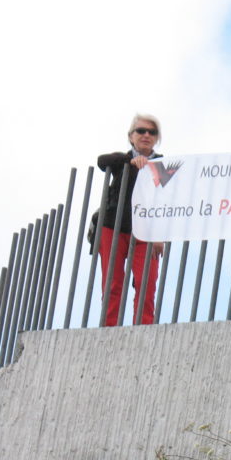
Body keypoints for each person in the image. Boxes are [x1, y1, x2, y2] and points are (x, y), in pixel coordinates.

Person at [96, 114, 166, 326]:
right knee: (112, 283)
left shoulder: (163, 165)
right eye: (141, 131)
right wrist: (131, 161)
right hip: (114, 227)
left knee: (147, 283)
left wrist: (160, 236)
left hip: (145, 231)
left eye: (152, 132)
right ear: (131, 136)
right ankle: (109, 330)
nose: (146, 135)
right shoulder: (120, 160)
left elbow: (168, 203)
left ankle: (143, 329)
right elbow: (102, 161)